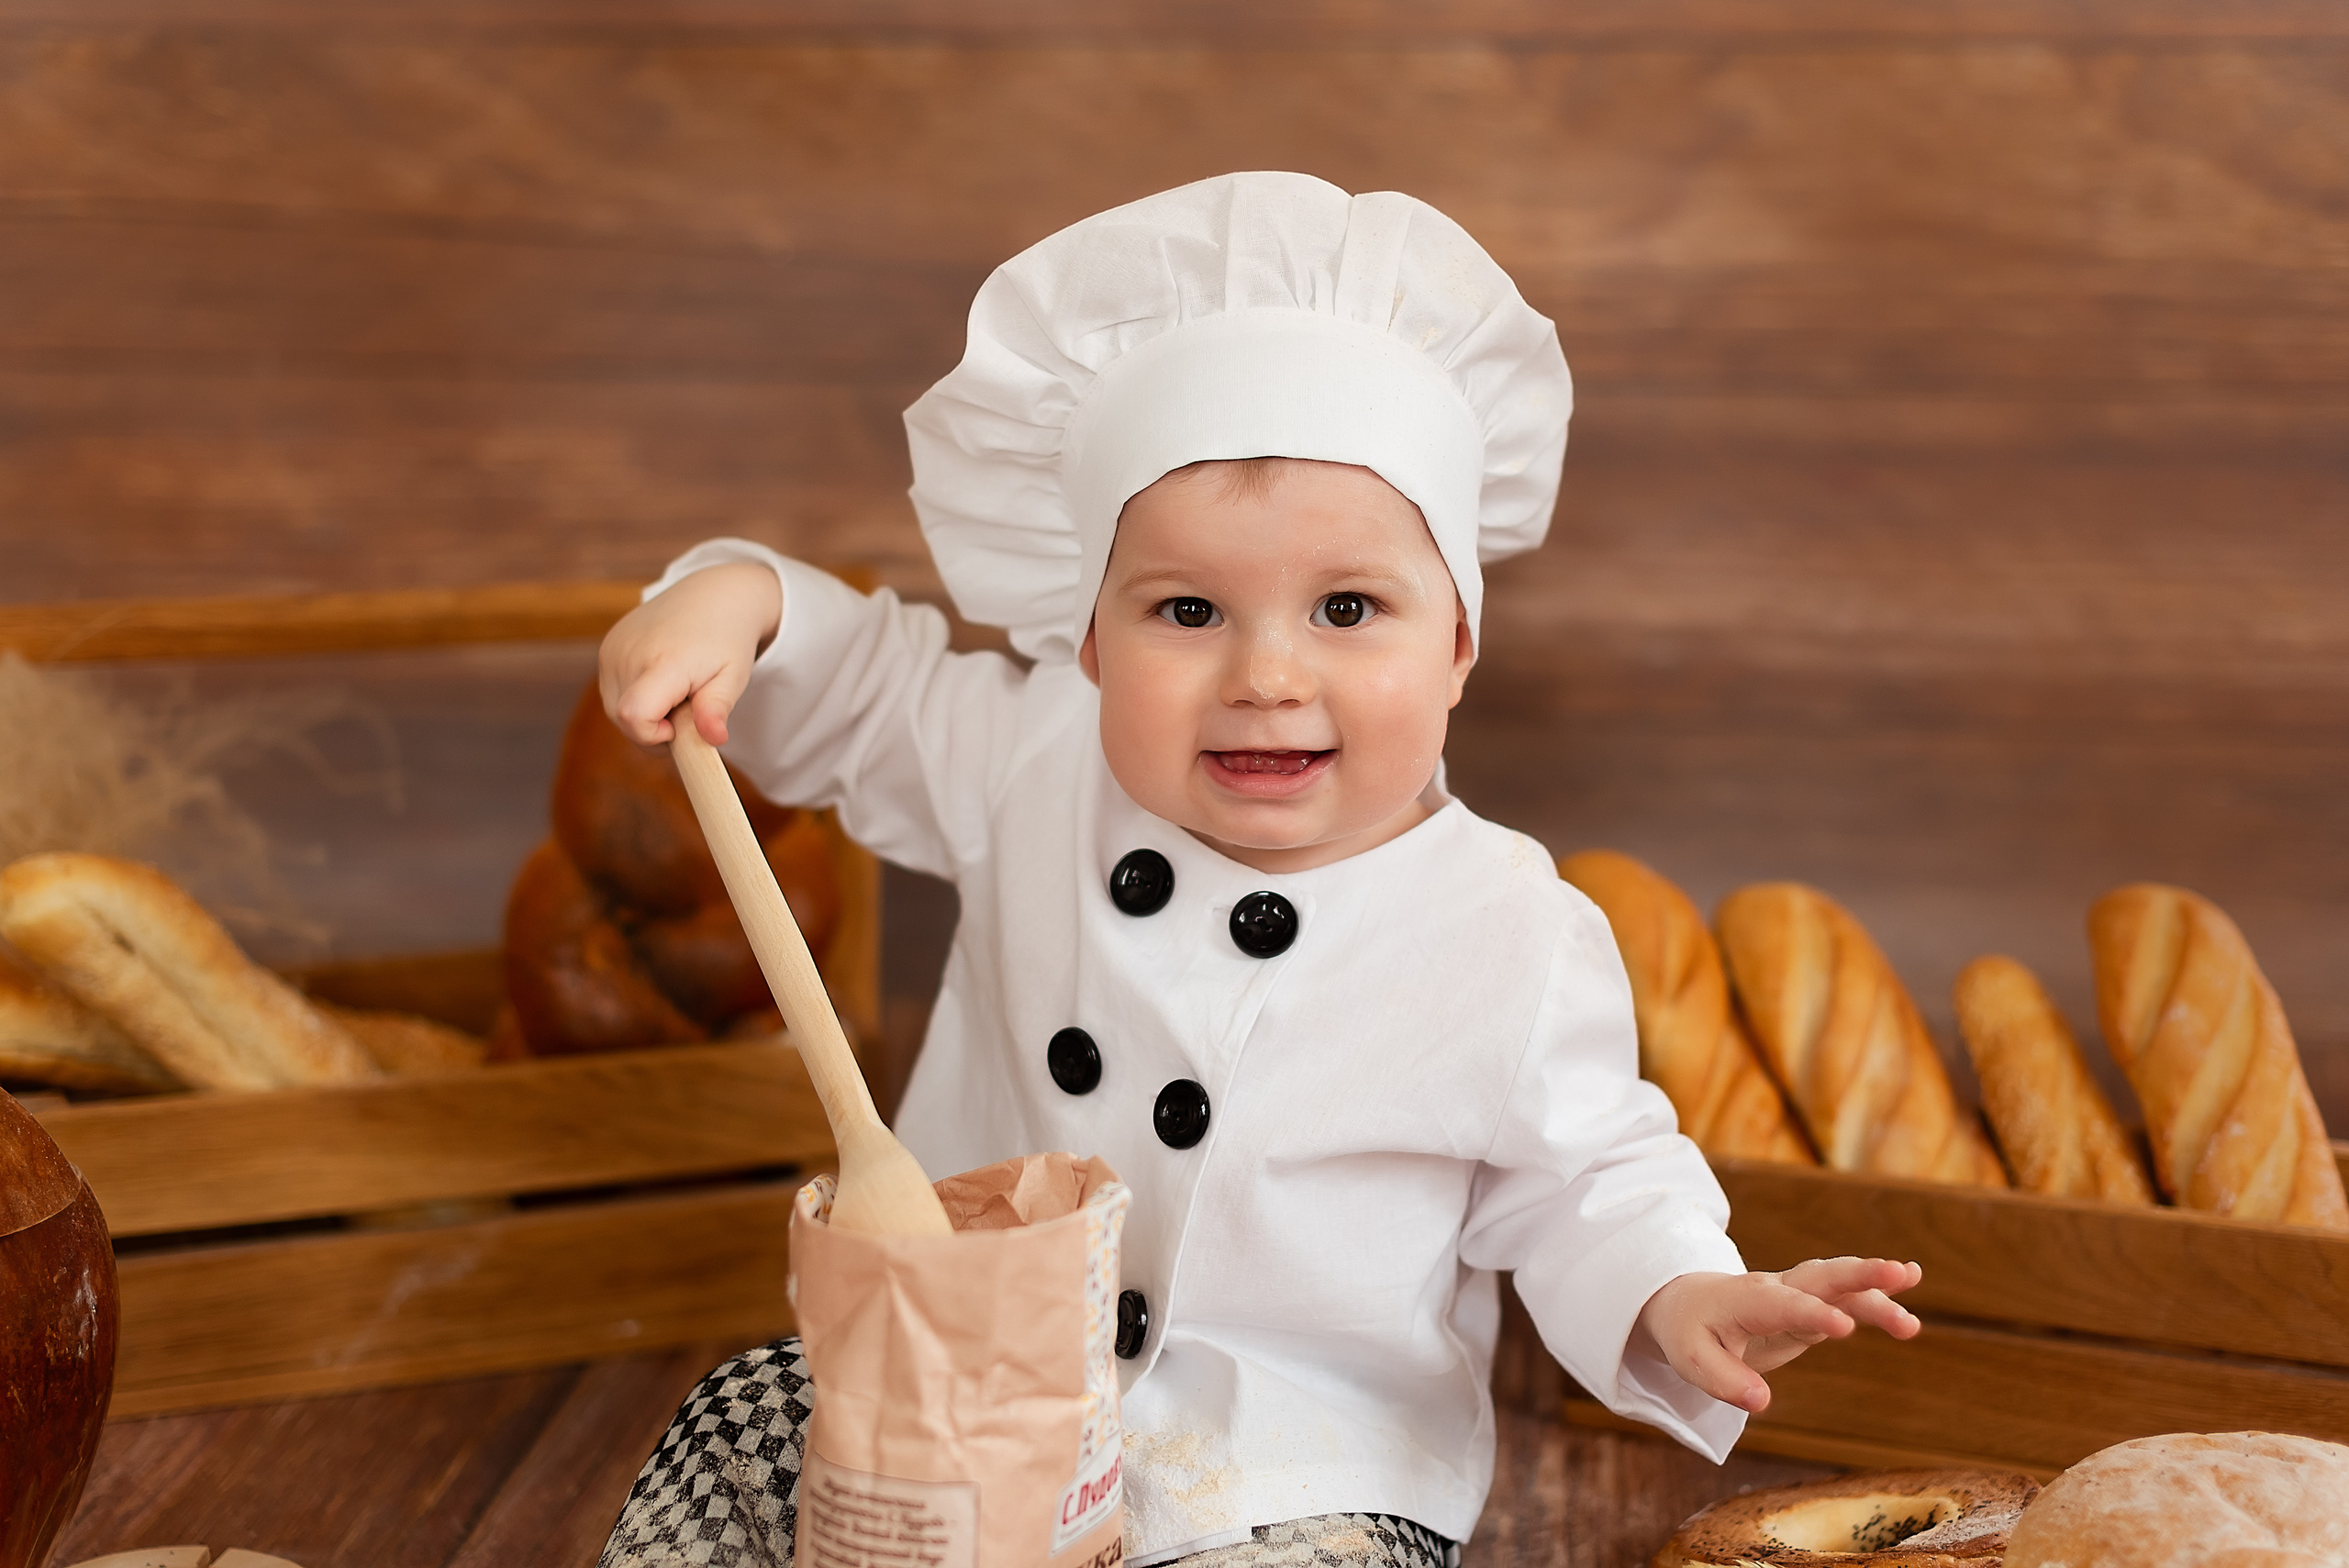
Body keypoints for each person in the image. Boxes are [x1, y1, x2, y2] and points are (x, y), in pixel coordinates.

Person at [596, 172, 1920, 1568]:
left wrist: (1678, 1287)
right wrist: (743, 598)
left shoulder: (1507, 925)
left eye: (1347, 607)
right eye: (1188, 610)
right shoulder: (1032, 763)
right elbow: (866, 685)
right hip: (962, 1396)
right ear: (1090, 642)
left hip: (1296, 1467)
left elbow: (1589, 1176)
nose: (1268, 676)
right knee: (743, 1415)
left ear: (1458, 645)